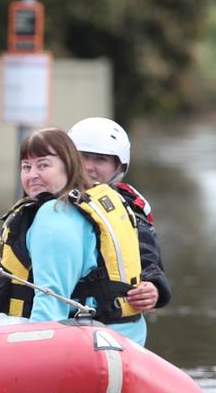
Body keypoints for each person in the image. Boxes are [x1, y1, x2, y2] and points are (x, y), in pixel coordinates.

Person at [0, 127, 148, 345]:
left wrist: (31, 352)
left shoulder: (56, 217)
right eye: (26, 167)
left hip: (87, 347)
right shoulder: (89, 203)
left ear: (68, 168)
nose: (33, 175)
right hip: (124, 339)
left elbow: (51, 301)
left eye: (43, 165)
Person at [68, 117, 171, 313]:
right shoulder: (50, 202)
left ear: (118, 166)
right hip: (55, 309)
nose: (89, 167)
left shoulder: (128, 207)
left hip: (104, 316)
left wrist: (153, 286)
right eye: (83, 157)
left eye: (100, 159)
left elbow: (147, 256)